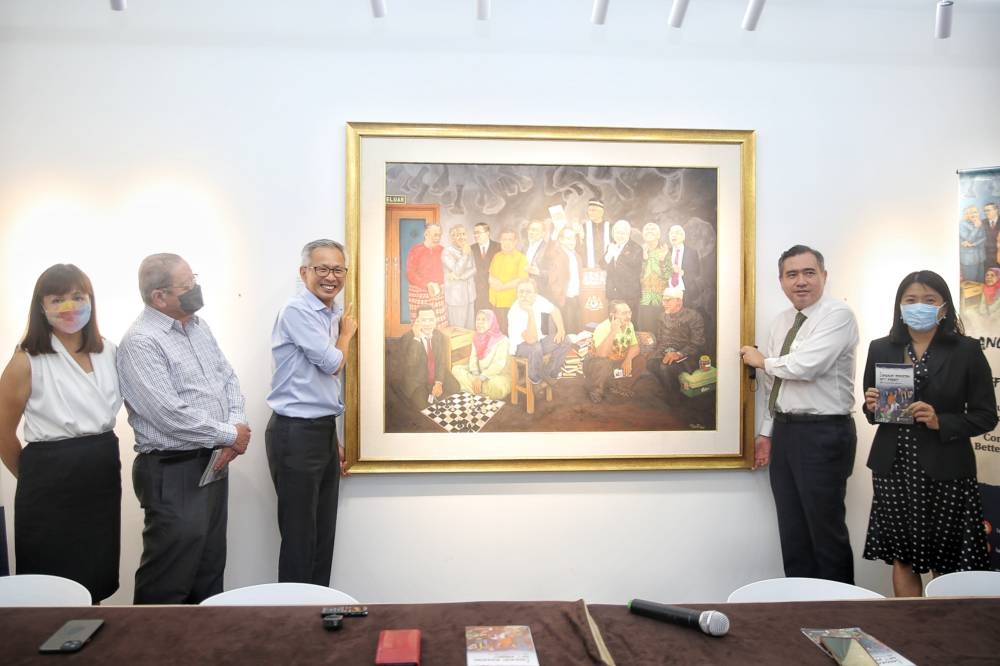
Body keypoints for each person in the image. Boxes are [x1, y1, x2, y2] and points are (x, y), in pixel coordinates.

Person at [117, 253, 250, 604]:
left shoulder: (198, 326)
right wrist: (229, 435)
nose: (196, 290)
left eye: (195, 280)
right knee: (169, 577)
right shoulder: (141, 342)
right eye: (187, 285)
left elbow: (228, 378)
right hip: (172, 471)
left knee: (208, 569)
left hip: (213, 461)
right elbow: (168, 414)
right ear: (159, 296)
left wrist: (235, 429)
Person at [861, 270, 997, 597]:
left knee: (947, 559)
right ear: (899, 306)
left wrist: (942, 421)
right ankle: (911, 633)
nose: (918, 306)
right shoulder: (881, 348)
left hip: (946, 469)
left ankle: (943, 636)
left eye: (928, 300)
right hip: (894, 469)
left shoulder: (966, 350)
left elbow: (986, 416)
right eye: (910, 300)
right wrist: (870, 404)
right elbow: (871, 413)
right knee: (902, 557)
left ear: (944, 308)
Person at [0, 264, 122, 603]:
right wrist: (33, 478)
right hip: (49, 477)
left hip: (100, 471)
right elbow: (2, 432)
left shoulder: (108, 352)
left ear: (91, 301)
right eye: (57, 299)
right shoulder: (27, 360)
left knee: (94, 572)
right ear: (42, 307)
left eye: (78, 297)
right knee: (50, 579)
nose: (69, 307)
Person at [739, 245, 859, 584]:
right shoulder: (781, 322)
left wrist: (762, 360)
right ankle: (799, 610)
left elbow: (807, 366)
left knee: (825, 533)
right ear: (781, 281)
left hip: (824, 433)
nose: (801, 281)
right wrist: (766, 432)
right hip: (787, 431)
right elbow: (774, 383)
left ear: (824, 276)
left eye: (809, 273)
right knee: (793, 532)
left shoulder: (838, 315)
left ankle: (839, 619)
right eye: (792, 275)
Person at [266, 239, 358, 585]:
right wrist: (346, 335)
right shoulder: (297, 311)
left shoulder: (332, 312)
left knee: (322, 537)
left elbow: (320, 390)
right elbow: (332, 364)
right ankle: (294, 625)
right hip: (294, 434)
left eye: (338, 269)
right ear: (304, 272)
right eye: (322, 268)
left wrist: (331, 438)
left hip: (318, 431)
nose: (331, 277)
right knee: (300, 540)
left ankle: (319, 617)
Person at [507, 279, 570, 389]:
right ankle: (535, 380)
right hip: (520, 346)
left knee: (565, 340)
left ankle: (549, 374)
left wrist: (561, 329)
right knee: (536, 348)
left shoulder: (539, 300)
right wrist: (530, 312)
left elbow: (554, 310)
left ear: (535, 294)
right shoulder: (514, 312)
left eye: (528, 292)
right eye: (521, 292)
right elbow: (531, 340)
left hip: (539, 342)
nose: (524, 295)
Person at [393, 305, 457, 412]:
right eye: (424, 320)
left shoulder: (438, 335)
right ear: (417, 322)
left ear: (435, 320)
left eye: (431, 319)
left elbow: (441, 362)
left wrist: (439, 382)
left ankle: (436, 393)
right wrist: (417, 337)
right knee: (424, 407)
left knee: (455, 387)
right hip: (417, 381)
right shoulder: (408, 338)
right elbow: (410, 365)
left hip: (433, 377)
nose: (427, 324)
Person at [583, 300, 646, 403]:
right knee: (604, 363)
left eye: (629, 312)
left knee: (640, 360)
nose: (628, 316)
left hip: (615, 361)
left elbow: (635, 346)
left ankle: (619, 386)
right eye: (624, 313)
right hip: (596, 363)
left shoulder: (629, 325)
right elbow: (601, 354)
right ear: (613, 315)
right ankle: (596, 390)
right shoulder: (602, 327)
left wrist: (628, 360)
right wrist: (613, 331)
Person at [649, 287, 705, 403]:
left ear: (679, 301)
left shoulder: (693, 316)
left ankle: (675, 399)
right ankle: (668, 390)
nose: (664, 304)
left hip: (688, 355)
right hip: (666, 351)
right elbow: (661, 339)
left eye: (668, 300)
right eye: (663, 300)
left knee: (665, 368)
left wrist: (678, 354)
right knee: (651, 363)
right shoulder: (662, 316)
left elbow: (697, 343)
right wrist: (657, 351)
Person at [451, 309, 511, 400]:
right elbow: (473, 359)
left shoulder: (502, 340)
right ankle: (481, 391)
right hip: (479, 373)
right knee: (455, 369)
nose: (479, 323)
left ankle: (473, 389)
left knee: (497, 387)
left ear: (491, 322)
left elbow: (498, 365)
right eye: (478, 320)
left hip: (497, 376)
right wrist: (476, 376)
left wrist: (481, 378)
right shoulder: (477, 337)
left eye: (484, 320)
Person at [542, 226, 584, 336]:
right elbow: (552, 280)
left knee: (576, 332)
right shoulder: (555, 254)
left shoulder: (577, 256)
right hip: (563, 301)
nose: (572, 241)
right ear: (560, 240)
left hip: (576, 299)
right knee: (565, 334)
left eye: (574, 238)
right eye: (568, 238)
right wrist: (559, 297)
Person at [406, 223, 448, 327]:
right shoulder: (415, 250)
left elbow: (448, 271)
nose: (438, 238)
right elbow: (410, 273)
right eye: (435, 235)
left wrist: (442, 284)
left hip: (438, 293)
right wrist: (426, 284)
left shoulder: (443, 251)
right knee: (420, 325)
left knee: (439, 325)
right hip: (419, 293)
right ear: (426, 234)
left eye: (439, 235)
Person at [488, 230, 529, 332]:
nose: (506, 242)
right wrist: (491, 281)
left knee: (509, 332)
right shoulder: (496, 256)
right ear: (500, 241)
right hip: (494, 301)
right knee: (496, 332)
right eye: (504, 239)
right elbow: (490, 275)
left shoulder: (521, 258)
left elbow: (522, 279)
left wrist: (502, 287)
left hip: (510, 303)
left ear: (515, 242)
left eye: (510, 240)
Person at [604, 219, 643, 320]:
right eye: (617, 232)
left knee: (629, 324)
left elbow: (632, 268)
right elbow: (603, 264)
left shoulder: (636, 248)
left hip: (629, 295)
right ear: (613, 233)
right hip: (613, 293)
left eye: (623, 233)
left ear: (628, 234)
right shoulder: (611, 246)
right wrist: (609, 253)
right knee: (613, 322)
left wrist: (616, 254)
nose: (619, 235)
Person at [638, 222, 671, 334]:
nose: (649, 231)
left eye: (653, 229)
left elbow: (668, 275)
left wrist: (662, 260)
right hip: (644, 295)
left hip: (660, 295)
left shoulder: (665, 250)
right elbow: (636, 274)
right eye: (647, 229)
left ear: (658, 235)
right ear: (643, 234)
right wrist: (644, 258)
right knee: (645, 326)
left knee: (661, 326)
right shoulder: (639, 251)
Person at [442, 224, 476, 329]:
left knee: (470, 329)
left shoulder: (467, 249)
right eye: (457, 235)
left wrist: (461, 277)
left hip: (470, 295)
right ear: (451, 237)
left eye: (463, 234)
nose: (462, 237)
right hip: (456, 298)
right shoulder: (447, 252)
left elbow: (474, 269)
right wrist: (465, 255)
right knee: (458, 330)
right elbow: (457, 271)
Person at [471, 222, 500, 314]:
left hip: (494, 291)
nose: (476, 235)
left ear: (487, 233)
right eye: (475, 233)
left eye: (479, 232)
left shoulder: (498, 247)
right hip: (476, 292)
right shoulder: (471, 249)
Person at [581, 199, 610, 269]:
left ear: (602, 212)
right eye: (589, 210)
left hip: (607, 269)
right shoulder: (583, 228)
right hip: (588, 269)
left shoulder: (610, 228)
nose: (590, 213)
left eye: (593, 210)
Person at [959, 205, 985, 283]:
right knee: (970, 283)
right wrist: (976, 228)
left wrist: (974, 244)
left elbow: (984, 238)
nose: (974, 214)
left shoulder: (979, 222)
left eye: (975, 212)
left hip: (980, 258)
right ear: (966, 214)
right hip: (969, 260)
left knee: (980, 282)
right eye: (971, 212)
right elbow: (969, 240)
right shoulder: (962, 224)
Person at [982, 202, 1000, 270]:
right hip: (986, 259)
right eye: (985, 211)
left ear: (996, 210)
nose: (986, 213)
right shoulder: (982, 223)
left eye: (988, 210)